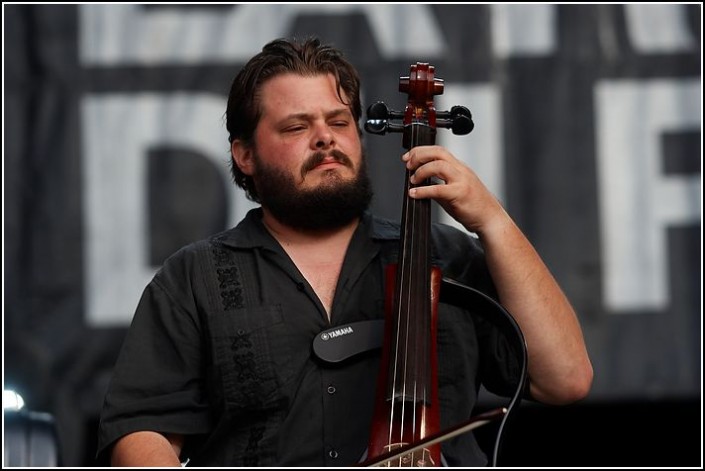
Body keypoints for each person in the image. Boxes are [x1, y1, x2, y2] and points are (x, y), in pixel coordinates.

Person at [96, 37, 593, 467]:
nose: (325, 138)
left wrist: (494, 222)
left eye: (339, 121)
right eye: (296, 127)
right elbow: (142, 431)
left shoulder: (448, 257)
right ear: (244, 154)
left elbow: (564, 379)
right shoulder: (194, 276)